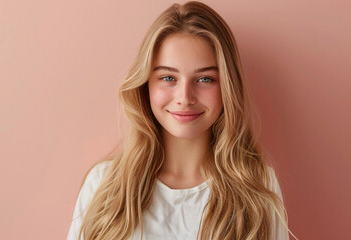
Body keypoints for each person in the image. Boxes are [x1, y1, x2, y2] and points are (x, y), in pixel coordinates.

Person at [67, 1, 296, 239]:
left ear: (228, 86)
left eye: (205, 79)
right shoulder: (104, 185)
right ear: (146, 85)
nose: (184, 98)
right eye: (168, 77)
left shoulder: (258, 186)